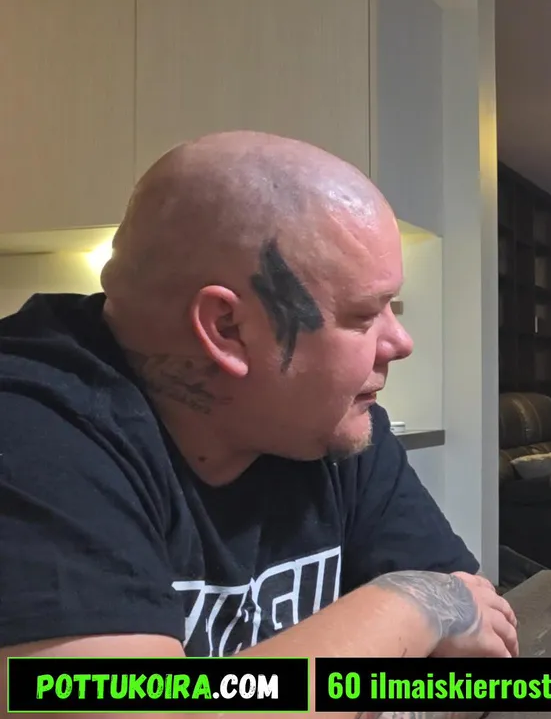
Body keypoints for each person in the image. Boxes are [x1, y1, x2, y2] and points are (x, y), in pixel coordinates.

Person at [0, 132, 518, 667]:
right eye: (364, 315)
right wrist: (413, 603)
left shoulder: (331, 427)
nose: (400, 342)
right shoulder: (30, 433)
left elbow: (478, 653)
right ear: (227, 328)